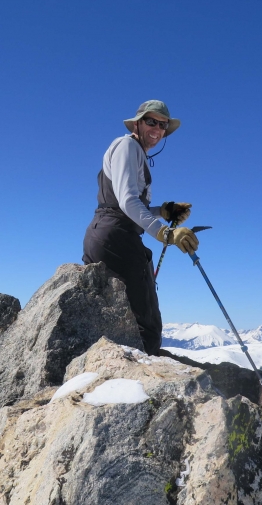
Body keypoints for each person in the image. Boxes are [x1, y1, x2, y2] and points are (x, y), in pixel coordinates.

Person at [83, 100, 199, 355]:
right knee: (146, 322)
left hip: (106, 235)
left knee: (121, 315)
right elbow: (126, 201)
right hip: (116, 237)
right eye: (151, 121)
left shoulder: (133, 150)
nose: (157, 129)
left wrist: (163, 210)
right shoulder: (127, 146)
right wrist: (164, 232)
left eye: (163, 124)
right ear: (137, 123)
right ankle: (141, 388)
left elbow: (123, 203)